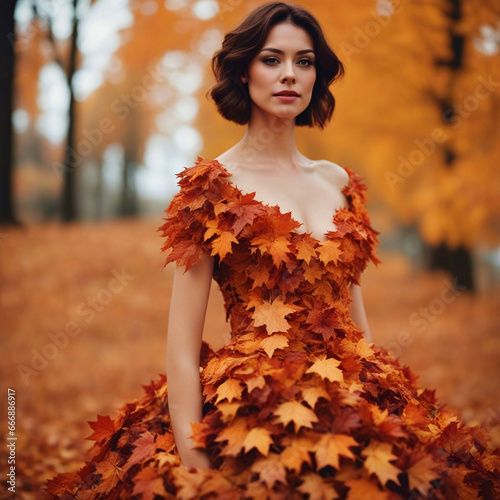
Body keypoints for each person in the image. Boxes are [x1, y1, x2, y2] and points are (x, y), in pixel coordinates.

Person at [46, 2, 499, 499]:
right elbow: (181, 347)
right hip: (253, 404)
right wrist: (196, 462)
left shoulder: (339, 182)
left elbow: (356, 318)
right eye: (271, 59)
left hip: (352, 398)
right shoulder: (210, 189)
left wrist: (385, 396)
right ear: (243, 72)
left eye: (304, 62)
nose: (289, 75)